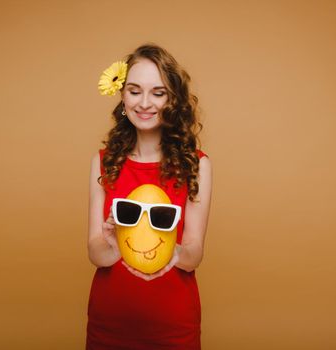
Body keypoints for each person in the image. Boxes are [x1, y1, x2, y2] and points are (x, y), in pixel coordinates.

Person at [86, 43, 212, 349]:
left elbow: (194, 253)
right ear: (122, 96)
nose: (145, 103)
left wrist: (175, 253)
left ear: (173, 99)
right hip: (110, 323)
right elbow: (95, 252)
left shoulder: (196, 165)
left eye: (158, 92)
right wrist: (112, 244)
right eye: (134, 90)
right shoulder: (103, 162)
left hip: (173, 326)